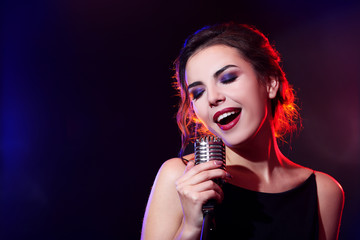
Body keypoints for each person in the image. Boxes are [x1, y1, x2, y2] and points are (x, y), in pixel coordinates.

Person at [141, 22, 344, 240]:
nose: (212, 98)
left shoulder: (323, 192)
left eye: (228, 79)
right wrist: (191, 227)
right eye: (198, 93)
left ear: (270, 82)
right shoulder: (180, 177)